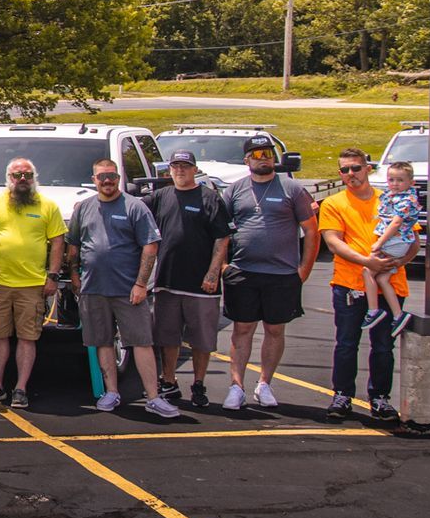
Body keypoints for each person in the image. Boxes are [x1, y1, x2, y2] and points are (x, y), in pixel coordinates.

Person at [221, 133, 319, 410]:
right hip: (242, 271)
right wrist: (224, 266)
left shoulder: (292, 189)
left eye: (267, 154)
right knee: (242, 330)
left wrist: (304, 271)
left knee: (275, 330)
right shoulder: (234, 190)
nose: (263, 159)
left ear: (274, 157)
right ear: (246, 159)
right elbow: (220, 231)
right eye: (257, 154)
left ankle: (264, 383)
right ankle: (236, 387)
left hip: (282, 274)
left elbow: (311, 231)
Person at [67, 160, 172, 416]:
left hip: (128, 291)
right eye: (102, 177)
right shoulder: (84, 208)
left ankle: (153, 397)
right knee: (102, 342)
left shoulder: (135, 207)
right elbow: (74, 244)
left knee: (141, 342)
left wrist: (140, 284)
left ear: (118, 177)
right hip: (93, 289)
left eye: (112, 176)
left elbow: (150, 246)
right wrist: (73, 274)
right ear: (93, 179)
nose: (107, 181)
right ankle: (111, 392)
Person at [318, 148, 408, 423]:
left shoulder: (391, 199)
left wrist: (396, 261)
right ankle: (342, 395)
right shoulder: (333, 203)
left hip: (389, 282)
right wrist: (367, 262)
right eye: (344, 170)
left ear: (368, 168)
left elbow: (411, 238)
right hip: (348, 284)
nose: (350, 174)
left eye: (355, 168)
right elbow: (333, 241)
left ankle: (380, 398)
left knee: (383, 345)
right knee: (346, 343)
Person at [145, 150, 231, 409]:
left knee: (201, 339)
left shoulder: (209, 198)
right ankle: (168, 381)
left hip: (201, 284)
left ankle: (198, 383)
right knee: (167, 336)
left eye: (185, 166)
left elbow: (222, 237)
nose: (180, 170)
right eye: (175, 166)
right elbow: (132, 210)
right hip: (167, 281)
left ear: (195, 169)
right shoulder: (160, 197)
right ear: (168, 170)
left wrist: (213, 273)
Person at [0, 157, 65, 409]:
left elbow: (58, 241)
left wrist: (53, 275)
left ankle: (21, 389)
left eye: (27, 175)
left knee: (27, 337)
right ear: (9, 178)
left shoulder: (47, 205)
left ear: (34, 177)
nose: (22, 179)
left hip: (32, 283)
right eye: (17, 175)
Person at [362, 161, 421, 333]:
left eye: (400, 180)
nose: (395, 184)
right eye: (391, 179)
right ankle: (398, 315)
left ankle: (373, 310)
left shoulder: (405, 200)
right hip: (399, 243)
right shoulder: (394, 197)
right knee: (382, 279)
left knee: (367, 271)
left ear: (411, 182)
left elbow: (395, 224)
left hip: (395, 242)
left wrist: (379, 243)